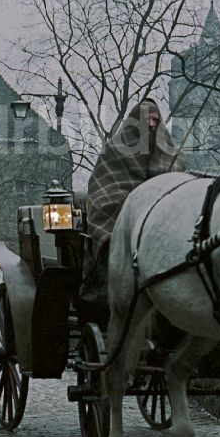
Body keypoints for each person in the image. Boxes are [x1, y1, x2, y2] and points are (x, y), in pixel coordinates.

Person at [79, 98, 180, 320]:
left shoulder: (172, 154)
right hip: (120, 223)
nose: (152, 124)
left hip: (162, 227)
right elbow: (103, 192)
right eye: (147, 120)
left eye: (155, 119)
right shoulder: (114, 151)